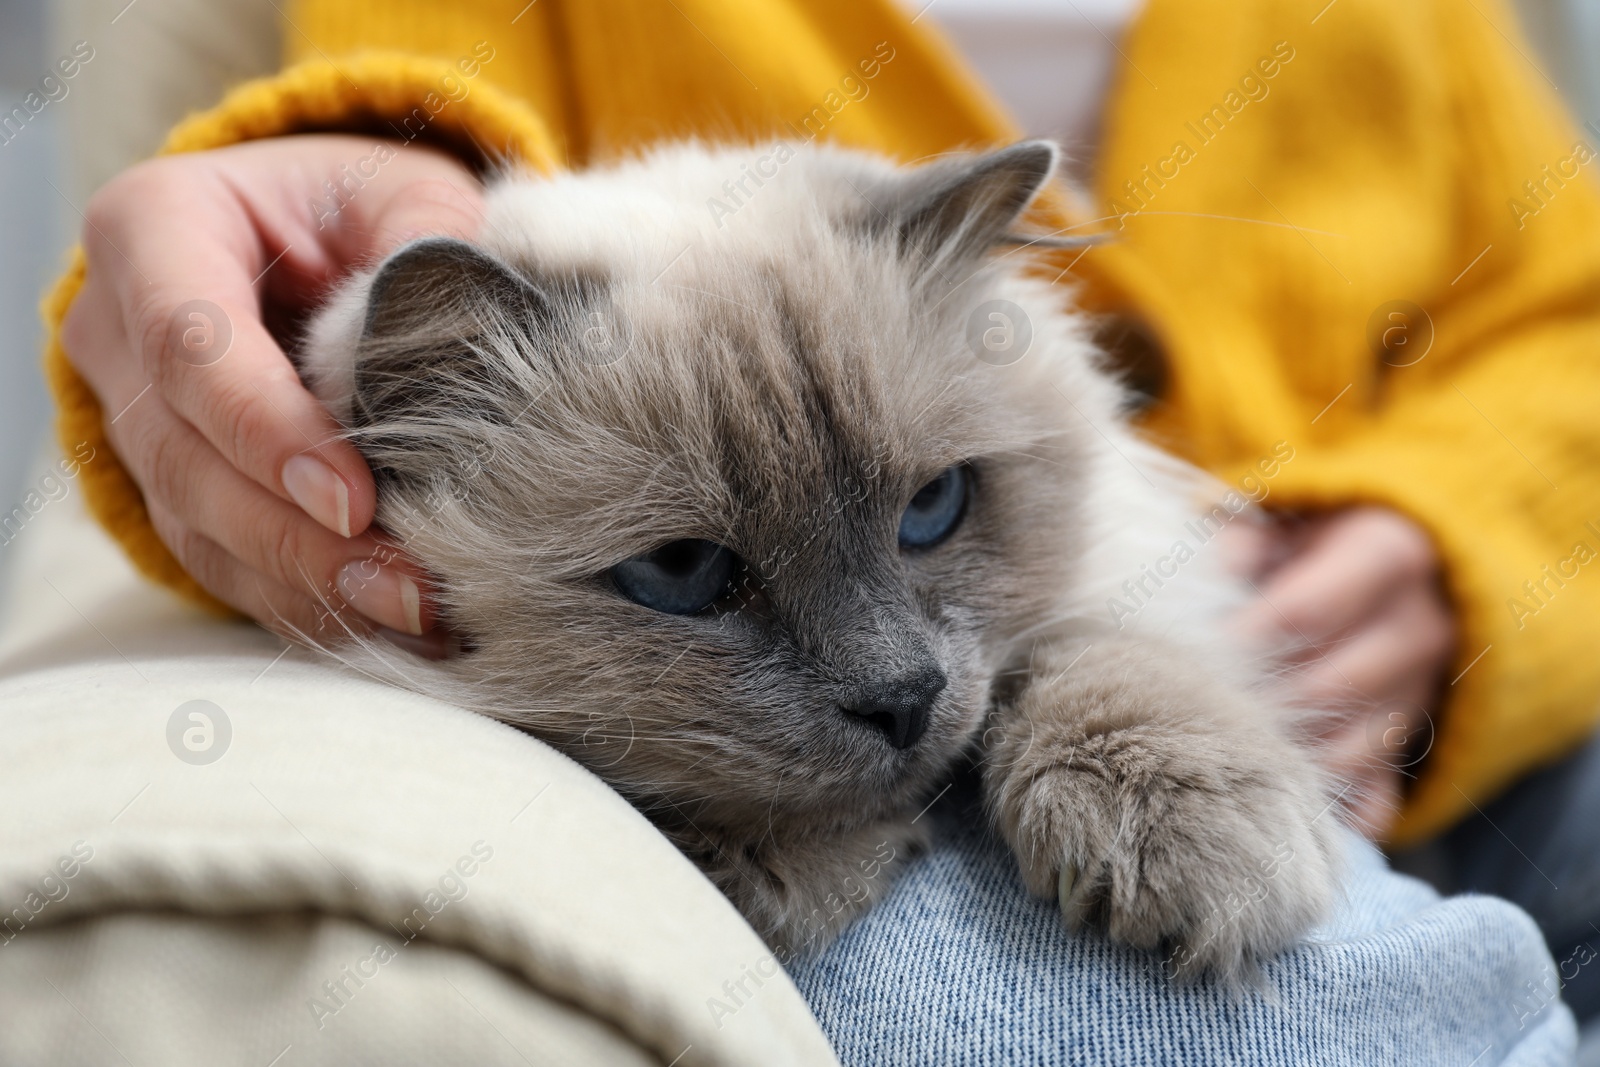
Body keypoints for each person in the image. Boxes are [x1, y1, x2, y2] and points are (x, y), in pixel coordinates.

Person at [44, 0, 1600, 1059]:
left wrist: (1462, 538)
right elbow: (343, 253)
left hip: (1509, 655)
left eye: (935, 505)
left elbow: (1566, 306)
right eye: (691, 572)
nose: (891, 681)